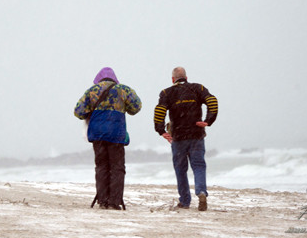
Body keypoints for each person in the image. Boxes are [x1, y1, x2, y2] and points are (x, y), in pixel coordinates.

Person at [74, 67, 142, 210]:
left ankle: (102, 200)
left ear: (99, 78)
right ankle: (114, 201)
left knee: (101, 167)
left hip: (97, 134)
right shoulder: (123, 90)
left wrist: (92, 112)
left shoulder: (92, 91)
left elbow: (78, 112)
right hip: (116, 134)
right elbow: (136, 108)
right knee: (117, 168)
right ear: (114, 78)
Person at [153, 67, 218, 211]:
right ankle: (201, 192)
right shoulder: (197, 88)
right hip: (197, 135)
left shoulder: (167, 92)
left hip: (178, 137)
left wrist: (161, 131)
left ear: (173, 79)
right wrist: (208, 120)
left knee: (180, 169)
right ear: (186, 78)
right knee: (199, 166)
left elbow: (160, 110)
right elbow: (212, 101)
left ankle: (185, 201)